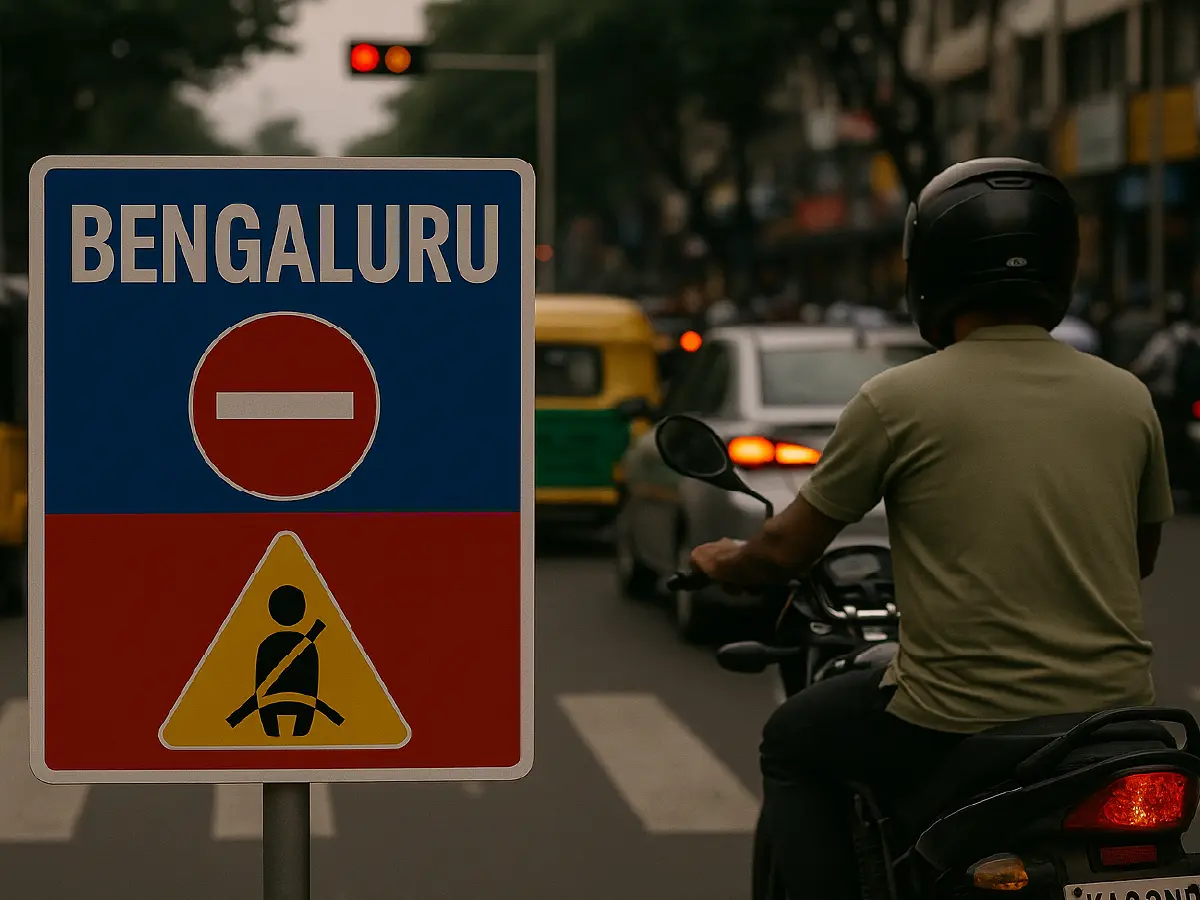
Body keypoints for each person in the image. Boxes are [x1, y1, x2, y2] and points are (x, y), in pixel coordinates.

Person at [682, 158, 1172, 900]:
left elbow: (786, 549)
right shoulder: (1127, 396)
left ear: (931, 273)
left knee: (792, 742)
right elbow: (1137, 556)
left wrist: (725, 562)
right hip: (1114, 715)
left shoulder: (898, 399)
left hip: (954, 713)